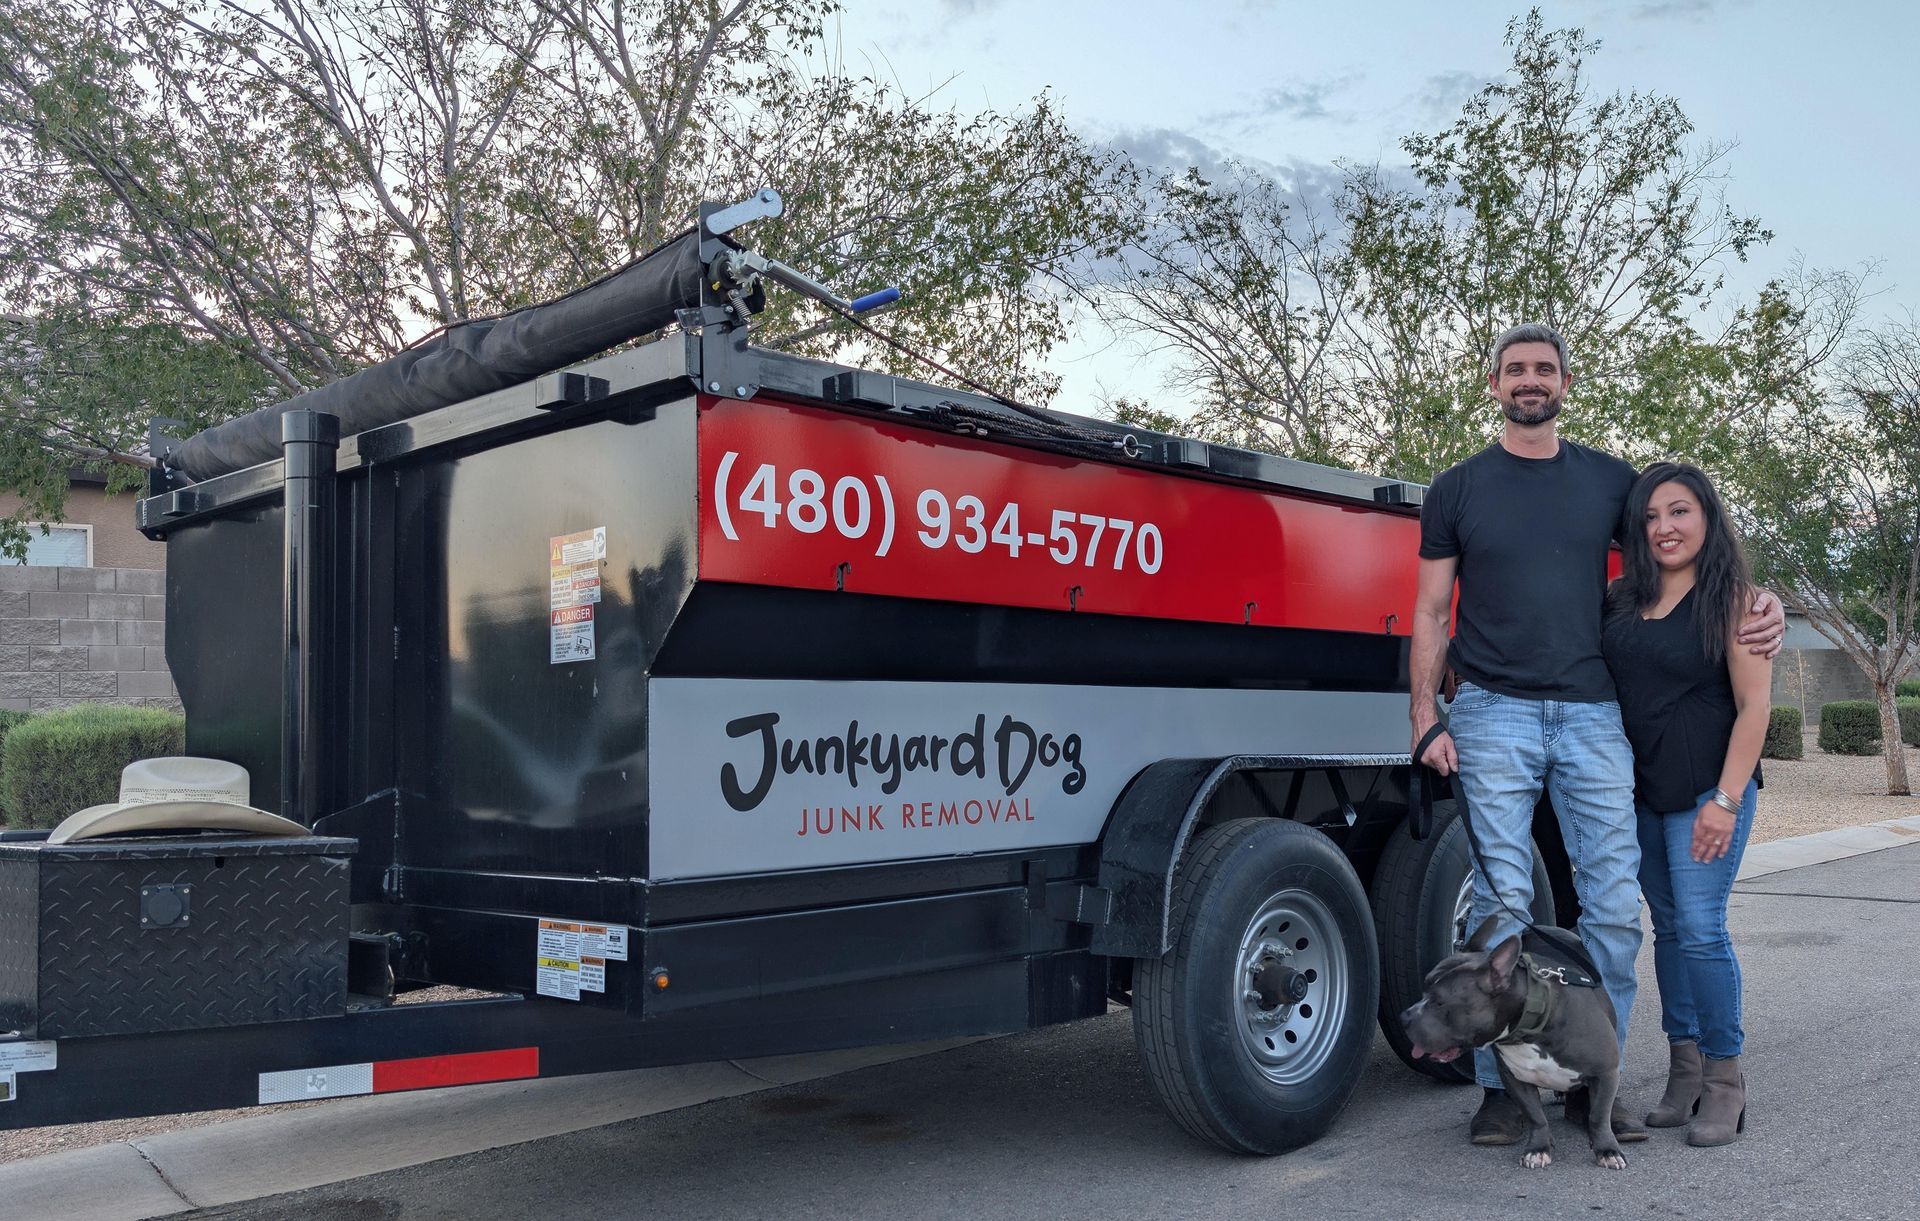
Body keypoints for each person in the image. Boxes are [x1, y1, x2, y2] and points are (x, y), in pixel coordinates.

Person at [1408, 323, 1783, 1147]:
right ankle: (1502, 1088)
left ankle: (1592, 1080)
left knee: (1614, 907)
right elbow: (1432, 611)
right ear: (1494, 383)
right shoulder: (1457, 488)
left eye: (1545, 368)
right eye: (1516, 370)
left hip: (1590, 714)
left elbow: (1682, 545)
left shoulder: (1612, 482)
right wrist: (1425, 713)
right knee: (1501, 905)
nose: (1530, 380)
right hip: (1492, 710)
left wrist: (1758, 598)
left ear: (1567, 384)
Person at [1601, 463, 1768, 1147]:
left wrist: (1725, 801)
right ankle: (1684, 1071)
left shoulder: (1737, 600)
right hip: (1644, 791)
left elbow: (1756, 706)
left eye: (1680, 511)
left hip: (1710, 789)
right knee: (1668, 930)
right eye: (1651, 516)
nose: (1665, 527)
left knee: (1701, 928)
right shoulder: (1618, 598)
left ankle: (1726, 1081)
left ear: (1707, 517)